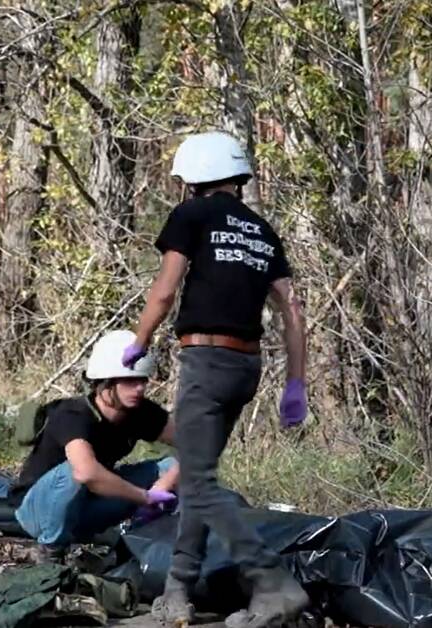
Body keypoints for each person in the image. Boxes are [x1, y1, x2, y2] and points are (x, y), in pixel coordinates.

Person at [122, 131, 310, 628]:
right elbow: (291, 310)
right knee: (195, 470)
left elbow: (165, 291)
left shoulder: (191, 216)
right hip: (246, 368)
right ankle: (177, 592)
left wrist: (139, 342)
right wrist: (296, 382)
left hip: (205, 359)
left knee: (201, 483)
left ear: (194, 180)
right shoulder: (263, 232)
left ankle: (273, 584)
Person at [12, 330, 180, 563]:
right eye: (130, 381)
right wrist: (144, 496)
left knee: (170, 466)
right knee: (76, 471)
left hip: (88, 508)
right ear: (105, 383)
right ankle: (50, 552)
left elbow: (195, 445)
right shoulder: (72, 414)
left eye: (142, 380)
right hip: (38, 510)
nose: (140, 388)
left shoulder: (141, 412)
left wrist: (164, 483)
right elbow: (86, 472)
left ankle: (146, 545)